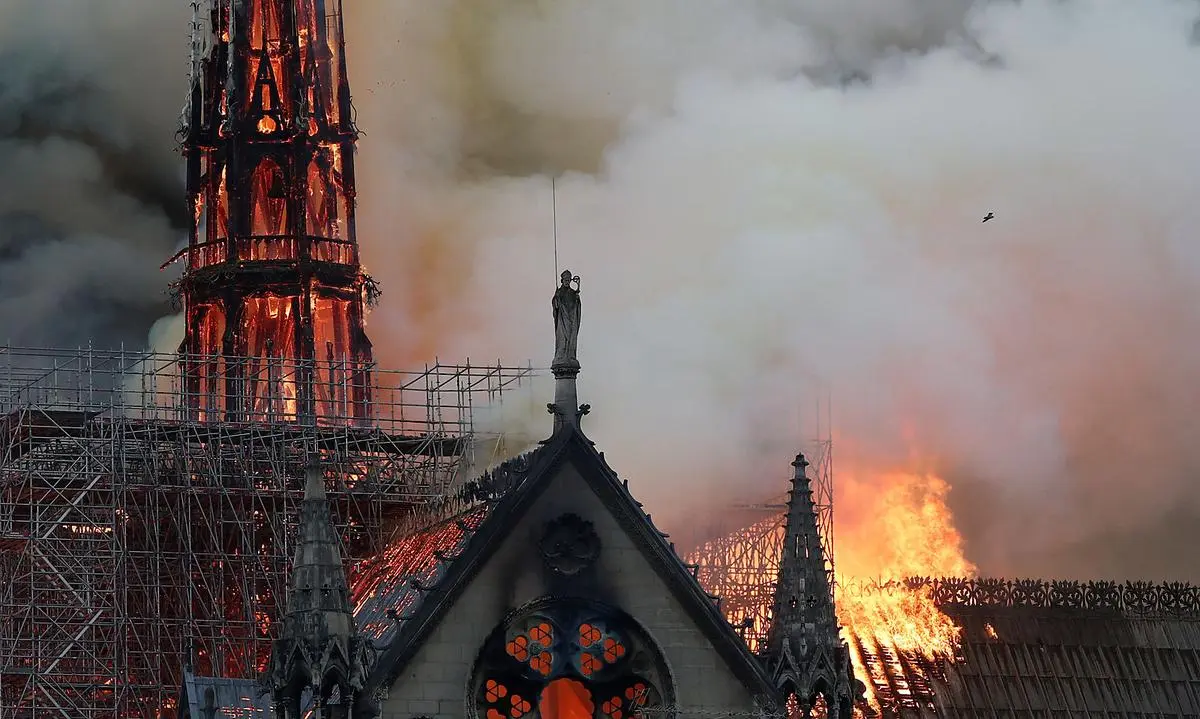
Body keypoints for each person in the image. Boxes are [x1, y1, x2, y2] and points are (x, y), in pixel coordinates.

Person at [551, 270, 581, 369]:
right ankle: (561, 355)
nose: (567, 282)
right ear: (562, 280)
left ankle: (570, 355)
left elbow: (577, 309)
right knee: (562, 339)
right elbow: (556, 307)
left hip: (571, 321)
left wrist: (577, 300)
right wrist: (556, 300)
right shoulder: (559, 293)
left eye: (568, 280)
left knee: (571, 338)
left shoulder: (573, 293)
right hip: (562, 321)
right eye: (565, 280)